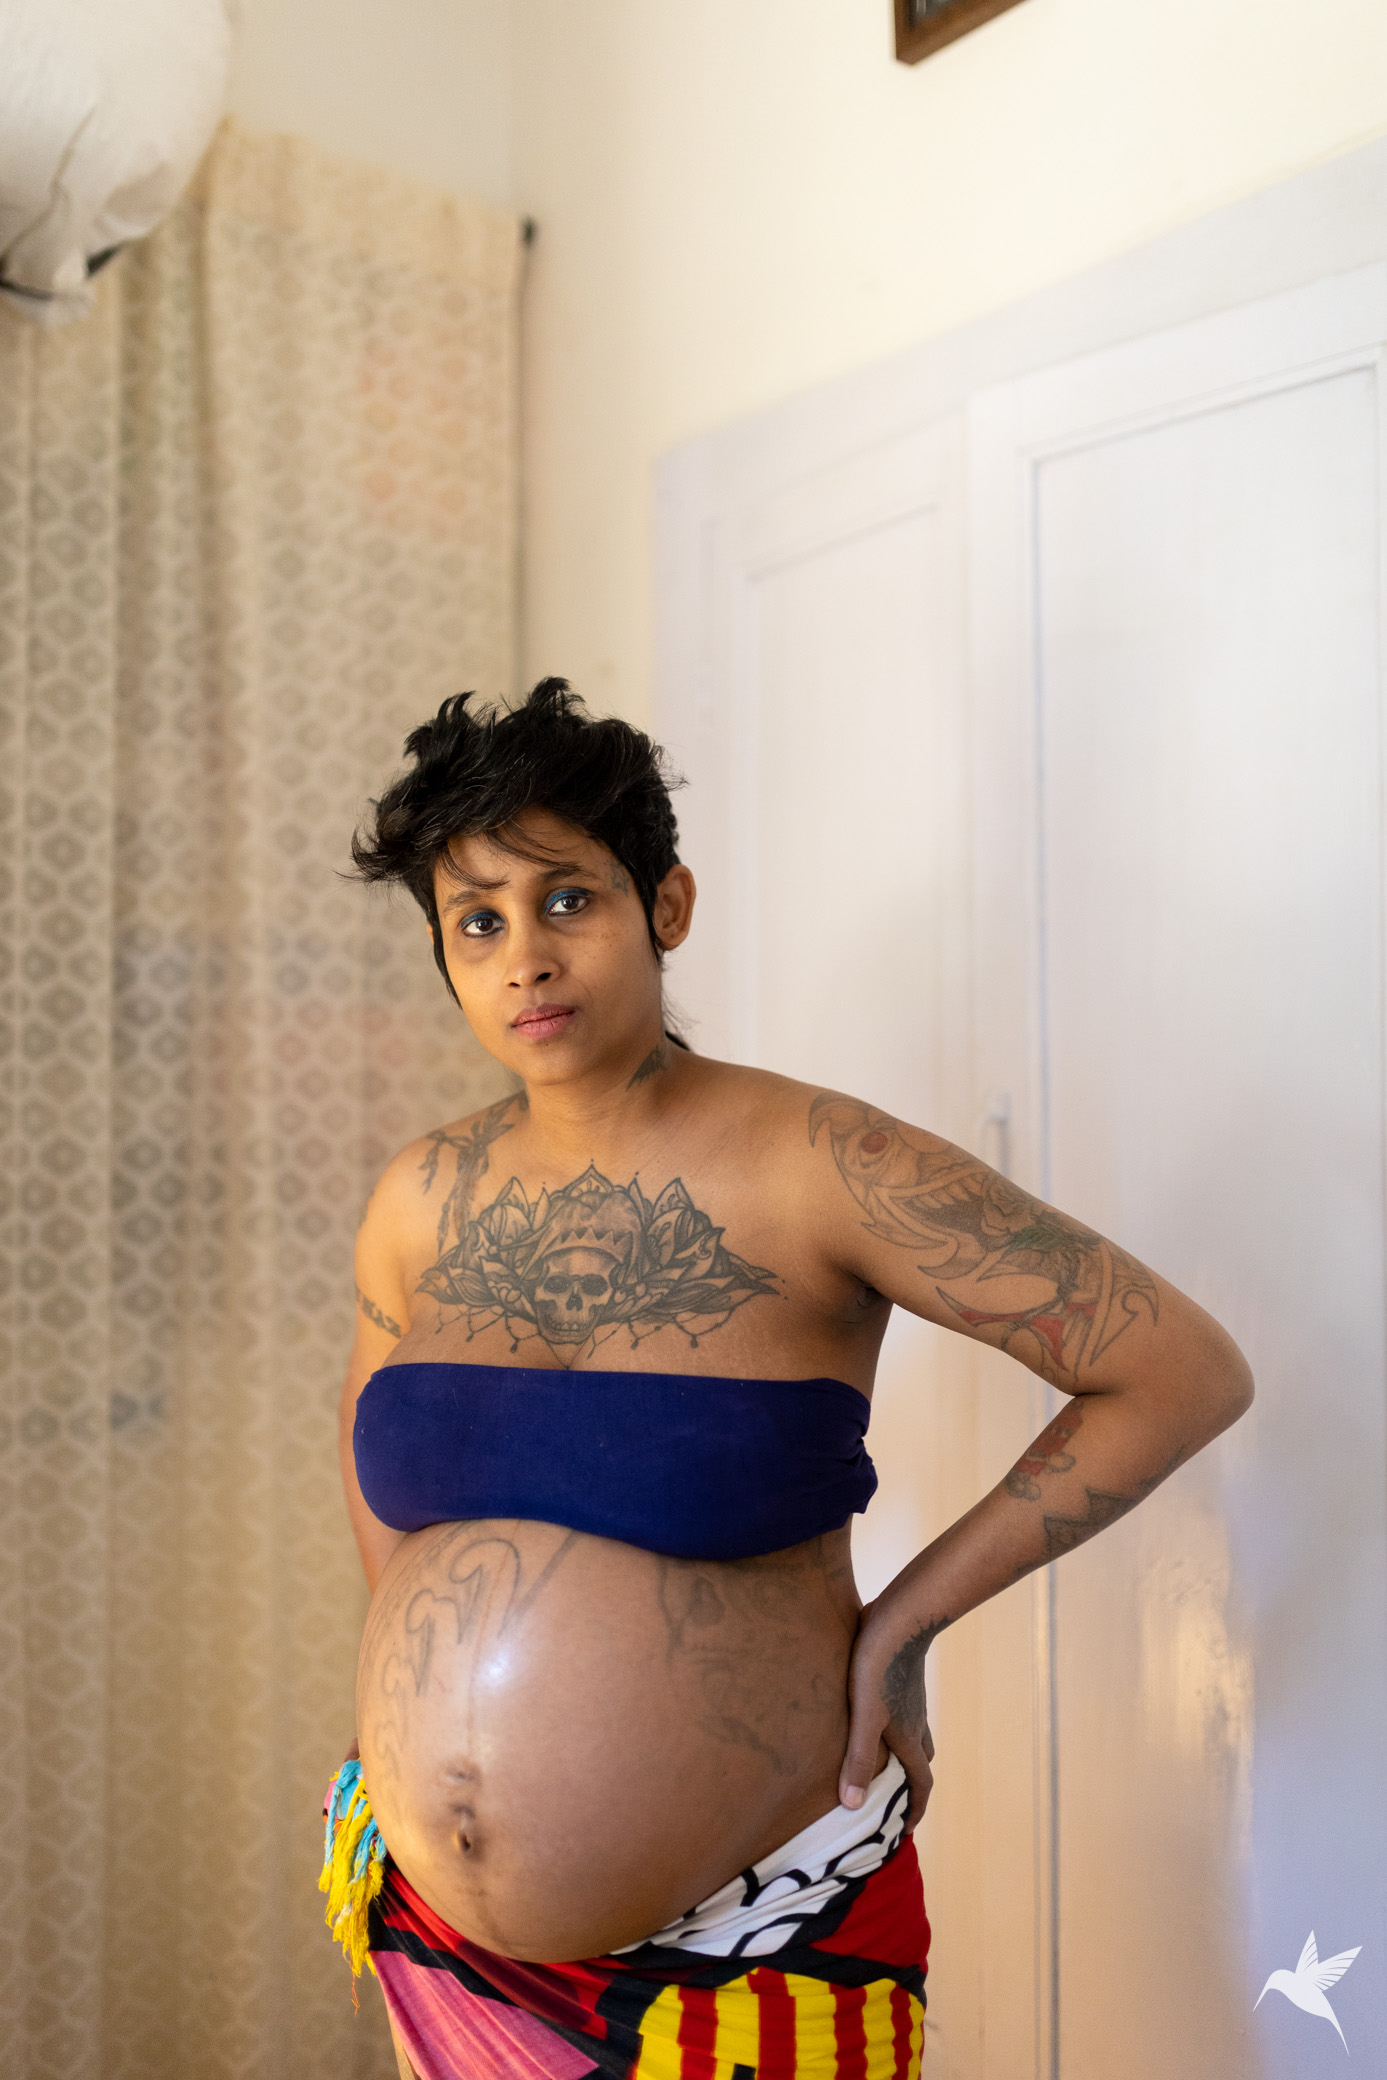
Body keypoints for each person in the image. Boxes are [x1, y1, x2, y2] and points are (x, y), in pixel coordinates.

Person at [324, 679, 1253, 2080]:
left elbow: (1174, 1371)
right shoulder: (416, 1199)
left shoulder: (821, 1165)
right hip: (447, 1952)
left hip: (762, 1947)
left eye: (568, 899)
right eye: (479, 922)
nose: (526, 959)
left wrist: (907, 1624)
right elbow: (371, 1461)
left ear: (667, 904)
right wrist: (429, 1711)